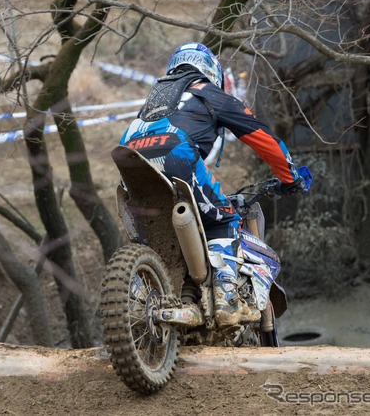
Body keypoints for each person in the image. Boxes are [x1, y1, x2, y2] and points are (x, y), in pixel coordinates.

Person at [119, 42, 305, 328]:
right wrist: (290, 177)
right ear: (209, 70)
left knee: (159, 233)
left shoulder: (156, 99)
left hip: (131, 162)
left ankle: (159, 298)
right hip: (175, 153)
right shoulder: (209, 93)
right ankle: (226, 300)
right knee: (224, 217)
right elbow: (263, 138)